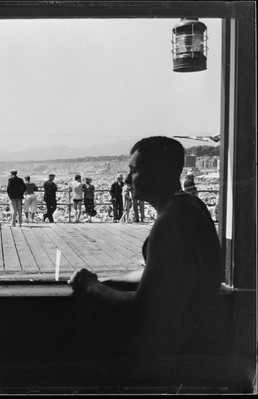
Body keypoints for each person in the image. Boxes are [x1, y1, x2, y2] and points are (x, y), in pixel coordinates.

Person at [68, 136, 224, 356]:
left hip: (171, 350)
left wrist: (92, 286)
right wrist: (108, 282)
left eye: (134, 170)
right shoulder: (191, 204)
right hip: (195, 338)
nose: (128, 180)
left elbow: (142, 308)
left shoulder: (171, 220)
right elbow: (160, 273)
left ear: (158, 173)